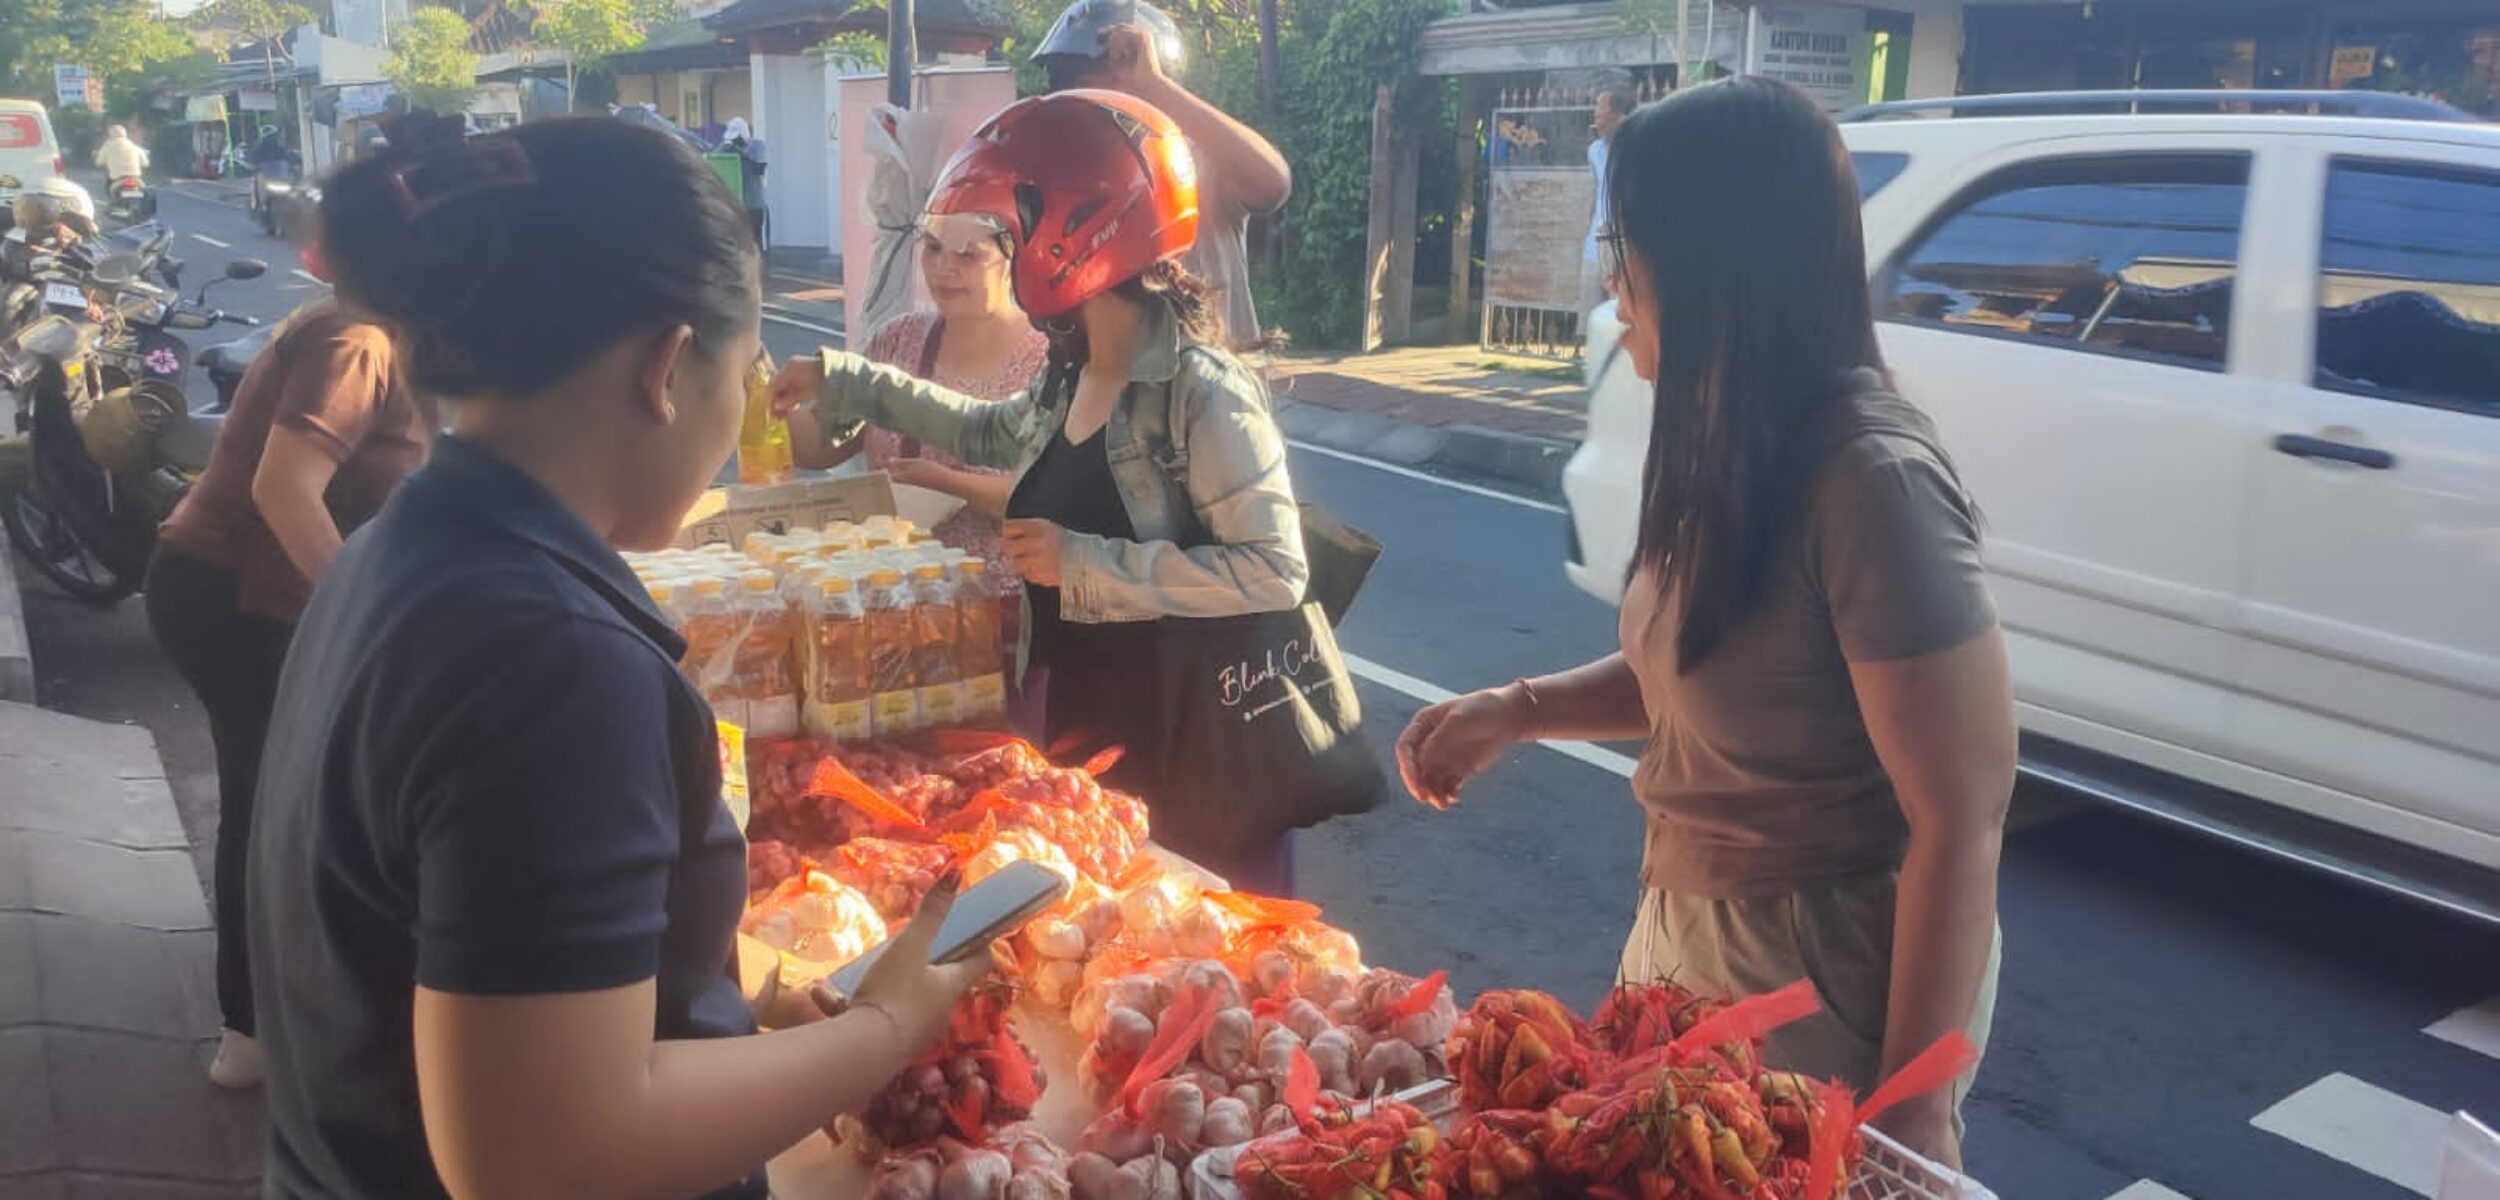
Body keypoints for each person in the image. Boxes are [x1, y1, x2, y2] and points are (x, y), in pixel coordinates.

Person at [246, 112, 990, 1198]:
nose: (741, 417)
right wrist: (886, 1025)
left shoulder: (399, 553)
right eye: (743, 375)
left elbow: (454, 954)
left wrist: (714, 1004)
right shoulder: (551, 662)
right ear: (669, 365)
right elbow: (545, 1161)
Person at [1395, 77, 2010, 1169]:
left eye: (1625, 240)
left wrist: (1915, 1110)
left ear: (1716, 260)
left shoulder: (1873, 481)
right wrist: (1519, 710)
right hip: (1684, 932)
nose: (1607, 274)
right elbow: (1702, 669)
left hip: (1821, 968)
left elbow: (1959, 819)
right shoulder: (1723, 437)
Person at [771, 90, 1308, 893]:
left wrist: (1083, 562)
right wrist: (847, 380)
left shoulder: (1203, 392)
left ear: (1081, 229)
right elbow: (988, 432)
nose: (1004, 251)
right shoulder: (1074, 365)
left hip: (1198, 748)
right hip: (1093, 723)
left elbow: (1274, 570)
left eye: (1012, 229)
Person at [146, 226, 435, 1090]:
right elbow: (284, 487)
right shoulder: (357, 342)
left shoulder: (389, 342)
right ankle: (251, 1030)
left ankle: (275, 1012)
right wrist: (366, 608)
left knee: (287, 800)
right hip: (230, 598)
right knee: (267, 802)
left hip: (258, 595)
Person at [785, 207, 1048, 613]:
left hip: (1001, 606)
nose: (944, 268)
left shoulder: (1047, 361)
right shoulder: (899, 339)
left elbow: (1052, 498)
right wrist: (758, 384)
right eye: (933, 248)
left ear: (1014, 259)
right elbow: (819, 448)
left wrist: (950, 483)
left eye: (967, 255)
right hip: (889, 599)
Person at [1032, 0, 1289, 351]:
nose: (1103, 108)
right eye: (1087, 95)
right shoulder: (1063, 189)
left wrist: (1154, 85)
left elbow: (1271, 183)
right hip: (1120, 397)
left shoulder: (1197, 162)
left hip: (1218, 398)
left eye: (1122, 92)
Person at [1579, 76, 1633, 318]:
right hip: (1595, 245)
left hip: (1623, 245)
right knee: (1592, 316)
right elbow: (1595, 192)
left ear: (1616, 113)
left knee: (1619, 315)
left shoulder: (1634, 147)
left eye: (1600, 107)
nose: (1596, 113)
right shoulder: (1594, 151)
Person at [722, 116, 768, 247]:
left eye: (738, 139)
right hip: (735, 205)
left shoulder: (757, 146)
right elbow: (715, 158)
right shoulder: (727, 147)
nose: (735, 142)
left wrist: (742, 153)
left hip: (753, 204)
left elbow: (760, 168)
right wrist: (726, 147)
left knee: (754, 241)